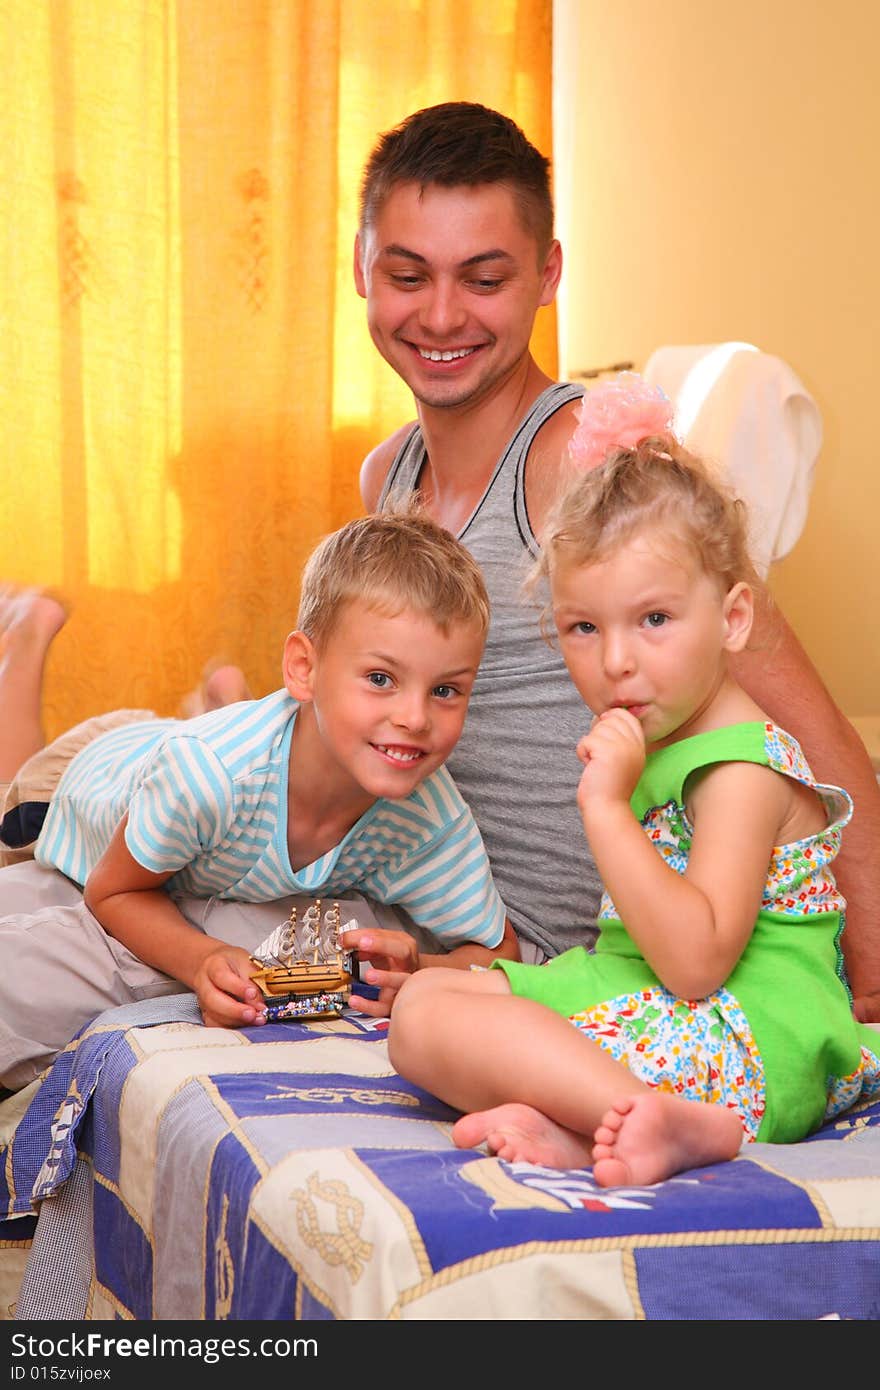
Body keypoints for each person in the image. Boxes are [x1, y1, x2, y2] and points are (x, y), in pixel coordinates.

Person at [354, 100, 880, 1021]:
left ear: (547, 273)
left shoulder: (576, 460)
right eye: (408, 275)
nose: (441, 314)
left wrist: (871, 934)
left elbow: (782, 701)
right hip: (462, 934)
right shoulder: (385, 477)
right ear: (364, 269)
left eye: (483, 278)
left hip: (608, 951)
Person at [387, 380, 880, 1188]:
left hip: (742, 1042)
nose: (616, 660)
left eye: (654, 620)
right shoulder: (666, 733)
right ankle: (593, 1130)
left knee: (454, 1026)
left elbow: (694, 965)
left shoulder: (739, 765)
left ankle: (665, 1121)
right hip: (657, 1007)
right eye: (584, 627)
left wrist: (606, 808)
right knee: (424, 1013)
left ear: (734, 619)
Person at [0, 509, 518, 1091]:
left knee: (241, 776)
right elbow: (113, 889)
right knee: (12, 802)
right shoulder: (203, 775)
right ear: (304, 668)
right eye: (381, 678)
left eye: (445, 690)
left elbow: (500, 953)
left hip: (235, 776)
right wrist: (202, 960)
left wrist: (422, 969)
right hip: (95, 780)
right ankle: (27, 633)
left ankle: (228, 701)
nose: (416, 718)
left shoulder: (428, 817)